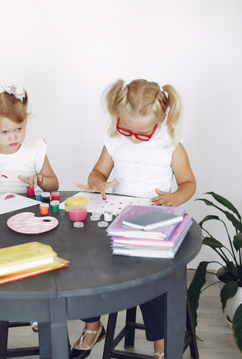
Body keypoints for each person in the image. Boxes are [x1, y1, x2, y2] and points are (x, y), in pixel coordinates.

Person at [73, 79, 196, 359]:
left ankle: (161, 346)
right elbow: (98, 173)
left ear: (161, 119)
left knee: (150, 282)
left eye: (140, 134)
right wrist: (96, 182)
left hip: (155, 223)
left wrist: (175, 197)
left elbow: (188, 182)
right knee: (88, 267)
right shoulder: (114, 141)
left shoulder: (170, 145)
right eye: (124, 128)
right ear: (117, 116)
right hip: (117, 217)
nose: (130, 136)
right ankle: (93, 326)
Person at [0, 85, 59, 359]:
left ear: (25, 121)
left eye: (18, 129)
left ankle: (34, 309)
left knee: (39, 260)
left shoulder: (34, 152)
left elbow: (55, 183)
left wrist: (40, 180)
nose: (13, 137)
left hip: (28, 222)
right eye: (4, 132)